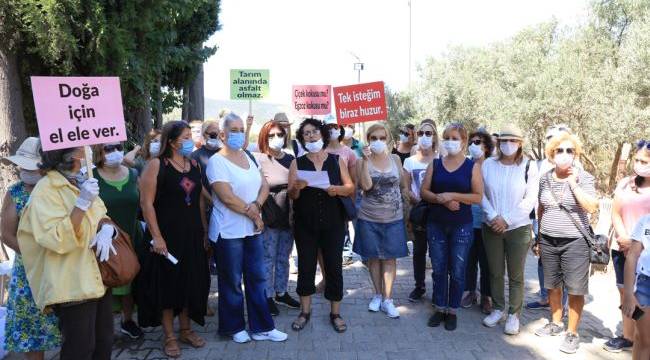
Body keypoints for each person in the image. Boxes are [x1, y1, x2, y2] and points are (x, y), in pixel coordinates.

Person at [17, 146, 115, 360]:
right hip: (72, 284)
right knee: (79, 350)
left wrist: (108, 228)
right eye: (84, 149)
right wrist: (81, 204)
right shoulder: (46, 190)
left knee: (103, 344)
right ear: (71, 156)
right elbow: (55, 239)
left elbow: (101, 214)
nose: (89, 151)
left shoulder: (81, 182)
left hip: (97, 279)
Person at [207, 113, 287, 344]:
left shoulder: (248, 156)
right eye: (233, 129)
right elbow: (227, 197)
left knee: (257, 278)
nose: (238, 134)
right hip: (229, 232)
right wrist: (254, 214)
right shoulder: (216, 162)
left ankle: (262, 327)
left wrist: (258, 206)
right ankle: (233, 327)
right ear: (222, 134)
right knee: (231, 281)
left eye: (241, 129)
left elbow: (263, 184)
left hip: (252, 230)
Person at [138, 120, 210, 357]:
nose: (190, 140)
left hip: (192, 235)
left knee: (190, 283)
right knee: (168, 286)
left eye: (191, 135)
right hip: (166, 238)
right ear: (171, 141)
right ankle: (169, 336)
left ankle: (186, 330)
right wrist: (157, 237)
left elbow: (199, 200)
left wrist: (204, 230)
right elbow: (146, 203)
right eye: (186, 136)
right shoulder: (156, 165)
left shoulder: (193, 164)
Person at [534, 132, 599, 354]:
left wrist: (573, 184)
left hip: (575, 242)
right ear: (551, 154)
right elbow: (540, 208)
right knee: (551, 285)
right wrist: (538, 237)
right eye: (559, 150)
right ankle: (555, 322)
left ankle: (572, 332)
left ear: (576, 154)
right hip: (548, 239)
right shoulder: (545, 178)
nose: (564, 154)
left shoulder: (584, 177)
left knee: (575, 289)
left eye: (569, 150)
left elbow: (591, 207)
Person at [288, 118, 354, 333]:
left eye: (314, 132)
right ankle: (304, 312)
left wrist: (337, 189)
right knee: (306, 266)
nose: (310, 136)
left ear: (322, 134)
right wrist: (297, 187)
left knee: (334, 267)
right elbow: (291, 194)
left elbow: (350, 187)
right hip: (305, 225)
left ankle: (335, 313)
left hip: (333, 224)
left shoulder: (336, 161)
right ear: (302, 139)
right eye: (306, 133)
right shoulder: (297, 163)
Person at [1, 138, 60, 360]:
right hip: (29, 272)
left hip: (60, 266)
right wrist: (34, 256)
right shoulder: (15, 192)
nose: (26, 169)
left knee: (68, 324)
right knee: (32, 328)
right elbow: (6, 234)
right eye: (22, 164)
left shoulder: (58, 187)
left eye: (31, 164)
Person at [421, 122, 483, 331]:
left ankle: (453, 310)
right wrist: (443, 200)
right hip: (436, 224)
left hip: (462, 226)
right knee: (438, 269)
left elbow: (477, 196)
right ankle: (439, 307)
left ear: (464, 141)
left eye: (455, 138)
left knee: (458, 270)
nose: (450, 142)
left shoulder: (471, 167)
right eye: (447, 137)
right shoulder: (435, 164)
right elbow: (424, 192)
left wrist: (454, 196)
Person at [480, 125, 539, 335]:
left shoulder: (528, 167)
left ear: (520, 143)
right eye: (504, 141)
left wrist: (506, 219)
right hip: (491, 226)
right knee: (495, 271)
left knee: (516, 275)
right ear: (498, 143)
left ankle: (514, 314)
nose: (507, 145)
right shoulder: (488, 164)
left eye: (512, 141)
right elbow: (481, 193)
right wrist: (493, 216)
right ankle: (497, 308)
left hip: (518, 228)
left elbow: (530, 198)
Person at [354, 123, 409, 318]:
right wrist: (364, 160)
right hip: (369, 217)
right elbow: (366, 186)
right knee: (373, 258)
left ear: (388, 139)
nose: (378, 141)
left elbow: (402, 184)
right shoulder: (362, 161)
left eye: (382, 138)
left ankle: (388, 299)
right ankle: (377, 295)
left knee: (390, 258)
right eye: (374, 138)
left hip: (393, 217)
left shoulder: (395, 159)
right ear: (368, 140)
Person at [92, 142, 145, 339]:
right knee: (107, 278)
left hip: (132, 234)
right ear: (99, 152)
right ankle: (104, 326)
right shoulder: (91, 177)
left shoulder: (133, 174)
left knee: (130, 277)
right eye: (108, 149)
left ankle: (127, 320)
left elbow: (144, 202)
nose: (114, 152)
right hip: (104, 238)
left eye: (117, 147)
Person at [606, 140, 650, 352]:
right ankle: (627, 335)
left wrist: (634, 244)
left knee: (640, 295)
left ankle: (642, 336)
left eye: (645, 161)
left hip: (643, 253)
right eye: (638, 160)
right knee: (624, 292)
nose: (640, 164)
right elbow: (615, 212)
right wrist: (623, 236)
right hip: (621, 246)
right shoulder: (625, 183)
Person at [254, 120, 300, 316]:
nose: (276, 139)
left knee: (284, 256)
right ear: (264, 137)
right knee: (267, 257)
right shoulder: (257, 159)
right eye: (271, 135)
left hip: (288, 214)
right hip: (268, 215)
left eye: (280, 135)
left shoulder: (291, 159)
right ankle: (266, 295)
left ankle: (281, 292)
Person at [403, 119, 438, 302]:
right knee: (418, 252)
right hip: (418, 211)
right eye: (421, 133)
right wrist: (413, 197)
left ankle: (438, 289)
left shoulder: (441, 159)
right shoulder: (409, 162)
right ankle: (419, 287)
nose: (425, 137)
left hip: (438, 212)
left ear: (434, 137)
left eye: (429, 133)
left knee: (437, 252)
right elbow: (406, 187)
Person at [461, 128, 495, 314]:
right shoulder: (465, 165)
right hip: (467, 219)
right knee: (469, 259)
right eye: (472, 142)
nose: (474, 145)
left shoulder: (493, 166)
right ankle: (469, 291)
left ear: (487, 147)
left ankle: (487, 296)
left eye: (478, 142)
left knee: (487, 261)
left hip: (487, 222)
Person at [622, 213, 650, 360]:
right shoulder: (645, 221)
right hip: (644, 286)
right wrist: (628, 294)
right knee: (641, 338)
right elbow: (632, 256)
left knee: (646, 341)